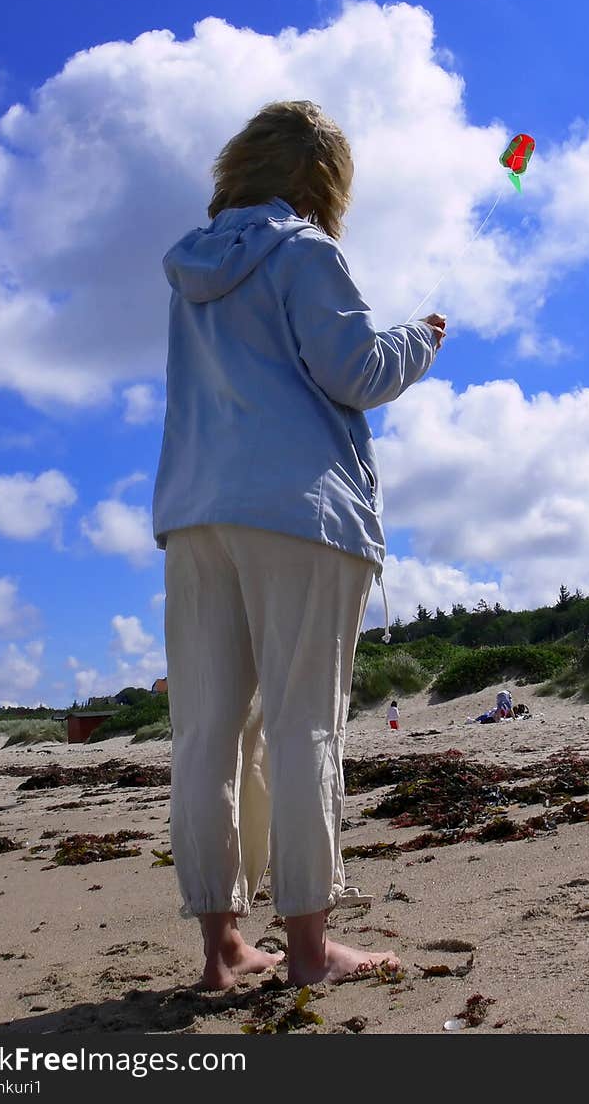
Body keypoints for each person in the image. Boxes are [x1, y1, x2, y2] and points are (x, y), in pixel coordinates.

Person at [152, 100, 446, 989]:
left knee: (207, 732)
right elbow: (354, 370)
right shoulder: (305, 250)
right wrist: (420, 341)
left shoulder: (192, 270)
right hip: (301, 511)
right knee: (302, 723)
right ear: (319, 181)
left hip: (198, 511)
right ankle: (311, 951)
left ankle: (222, 949)